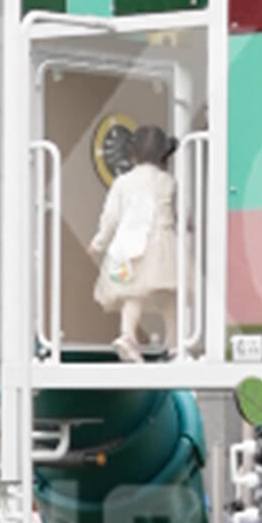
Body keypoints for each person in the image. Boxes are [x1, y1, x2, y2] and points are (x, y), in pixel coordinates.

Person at [87, 126, 179, 362]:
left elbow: (110, 217)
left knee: (132, 293)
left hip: (129, 245)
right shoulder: (167, 181)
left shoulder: (123, 182)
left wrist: (99, 243)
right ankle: (176, 344)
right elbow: (181, 213)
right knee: (168, 296)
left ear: (132, 152)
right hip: (161, 244)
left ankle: (128, 336)